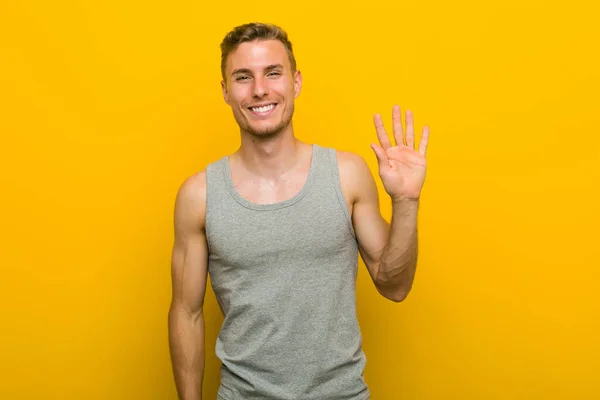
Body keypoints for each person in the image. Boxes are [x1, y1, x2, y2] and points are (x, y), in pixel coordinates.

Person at [168, 22, 430, 400]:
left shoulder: (346, 174)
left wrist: (406, 202)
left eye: (273, 73)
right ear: (225, 91)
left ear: (296, 82)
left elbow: (395, 286)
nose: (259, 89)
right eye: (243, 77)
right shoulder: (199, 195)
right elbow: (186, 314)